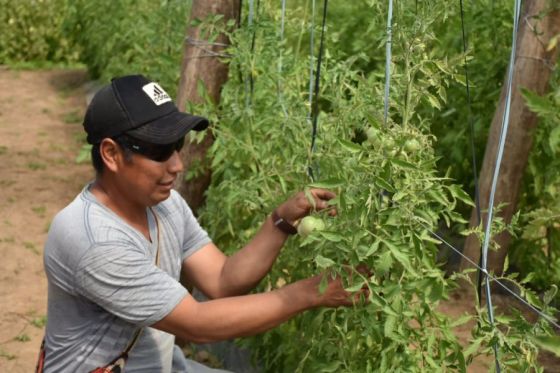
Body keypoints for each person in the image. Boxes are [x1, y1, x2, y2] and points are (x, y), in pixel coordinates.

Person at [41, 75, 366, 372]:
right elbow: (196, 323)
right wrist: (312, 292)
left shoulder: (165, 206)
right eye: (160, 150)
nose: (178, 165)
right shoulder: (94, 239)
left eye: (178, 146)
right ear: (111, 154)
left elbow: (223, 280)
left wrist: (282, 219)